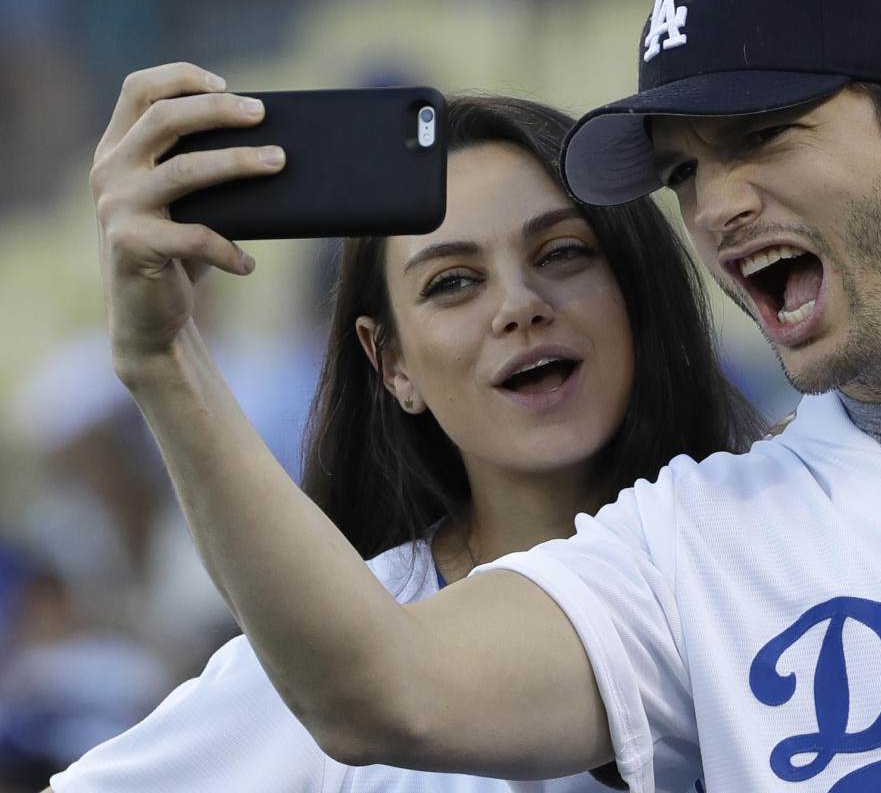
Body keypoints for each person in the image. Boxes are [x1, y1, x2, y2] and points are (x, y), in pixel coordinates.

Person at [89, 0, 881, 792]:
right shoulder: (696, 542)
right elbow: (382, 693)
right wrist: (164, 363)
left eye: (763, 138)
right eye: (686, 171)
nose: (720, 204)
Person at [57, 91, 762, 792]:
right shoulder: (315, 663)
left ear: (637, 289)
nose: (519, 305)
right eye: (453, 283)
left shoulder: (785, 536)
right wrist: (159, 353)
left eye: (564, 252)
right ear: (391, 365)